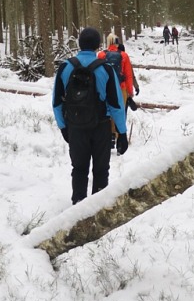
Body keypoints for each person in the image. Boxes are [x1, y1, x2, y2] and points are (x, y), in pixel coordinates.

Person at [52, 27, 128, 204]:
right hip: (100, 127)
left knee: (79, 168)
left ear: (79, 44)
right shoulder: (106, 69)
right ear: (98, 45)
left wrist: (64, 127)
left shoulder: (65, 67)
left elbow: (57, 102)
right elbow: (116, 104)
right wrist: (121, 133)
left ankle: (78, 207)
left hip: (75, 127)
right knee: (101, 170)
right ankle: (98, 209)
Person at [98, 34, 138, 146]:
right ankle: (119, 135)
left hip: (106, 88)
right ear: (117, 42)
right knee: (120, 112)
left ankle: (109, 136)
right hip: (121, 88)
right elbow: (128, 75)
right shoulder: (124, 56)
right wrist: (130, 92)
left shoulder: (101, 55)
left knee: (107, 111)